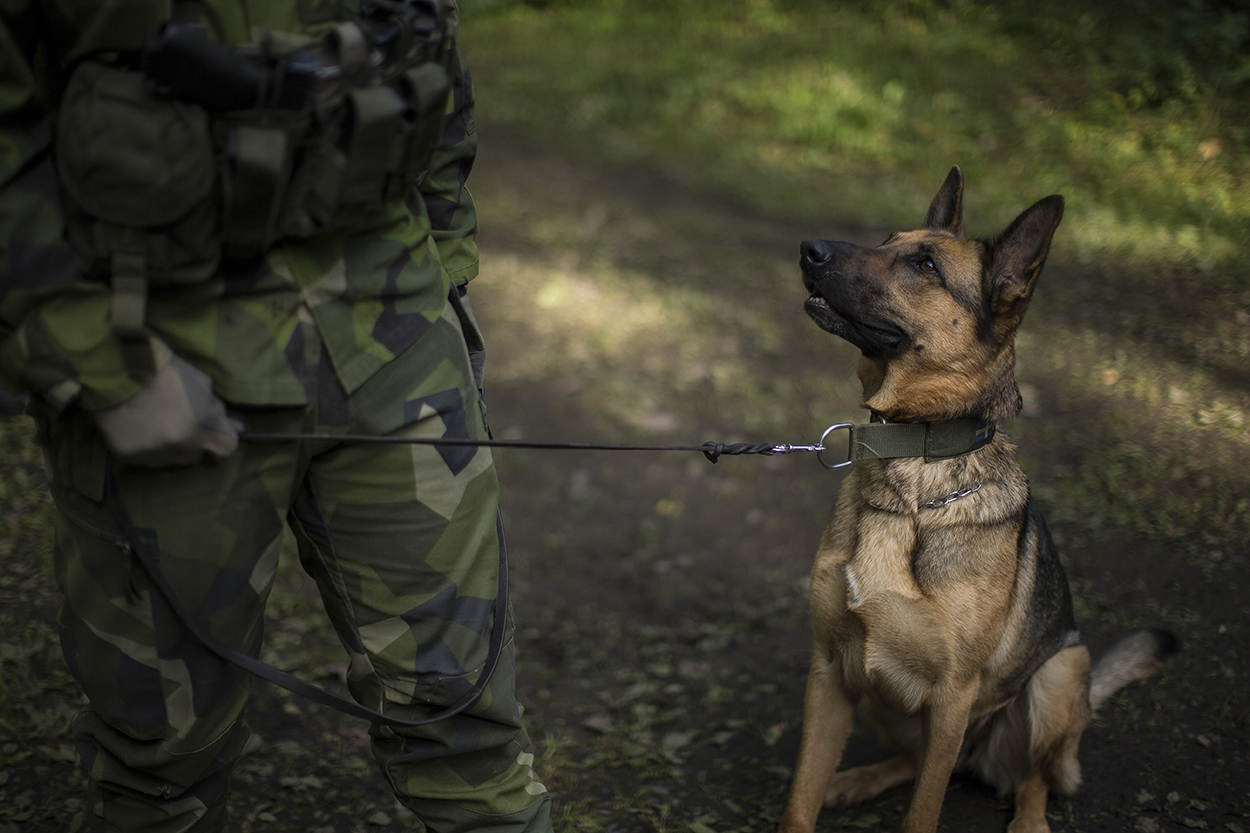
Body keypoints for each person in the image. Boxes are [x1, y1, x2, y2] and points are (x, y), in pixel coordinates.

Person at [0, 3, 552, 832]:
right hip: (160, 351)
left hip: (393, 329)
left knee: (467, 719)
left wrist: (447, 278)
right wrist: (94, 361)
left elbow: (429, 49)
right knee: (158, 768)